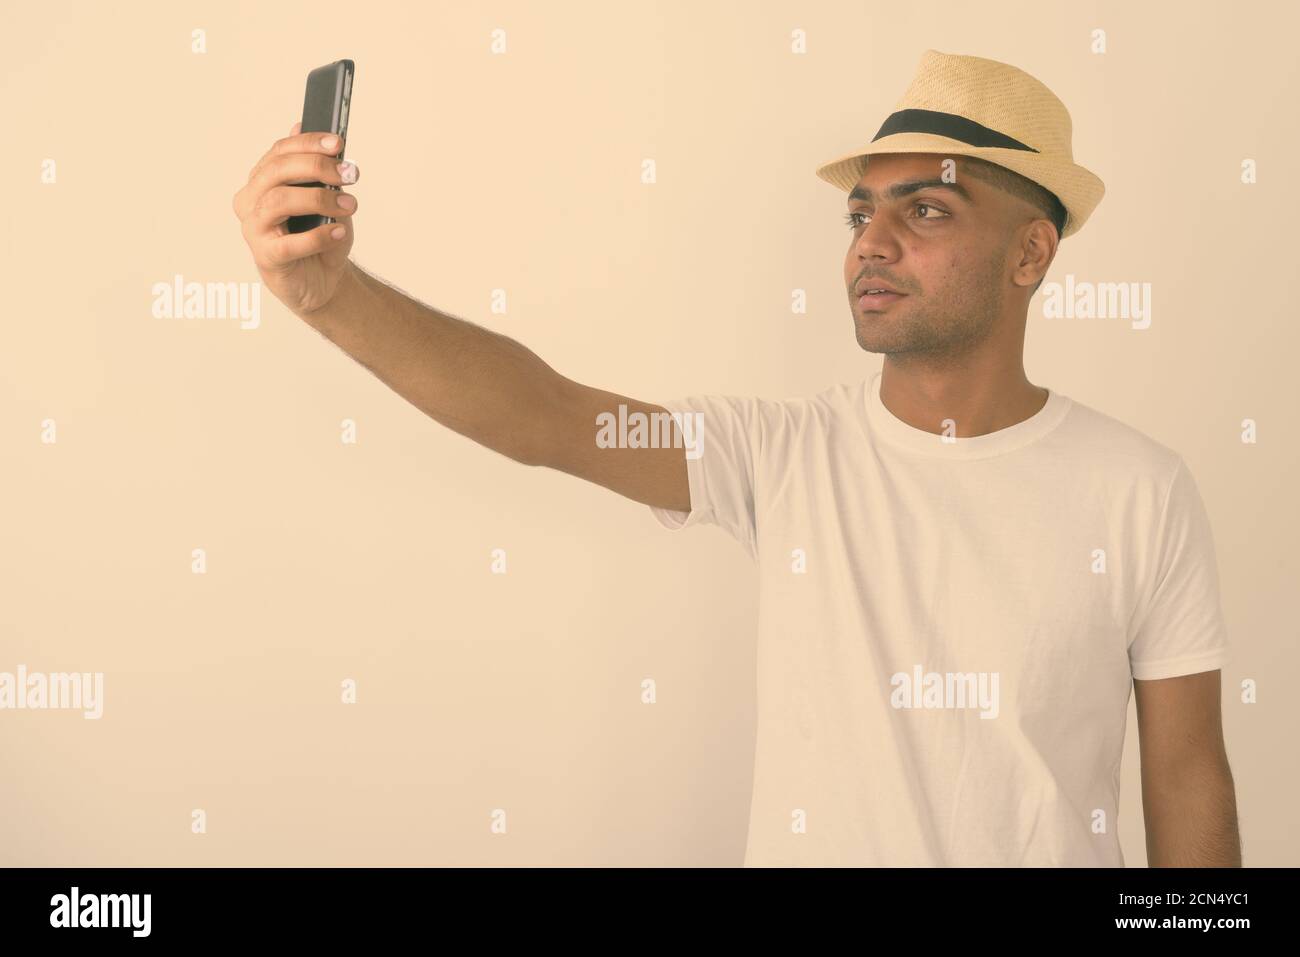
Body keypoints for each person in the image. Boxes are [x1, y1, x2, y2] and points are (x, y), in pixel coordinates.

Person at [232, 49, 1240, 867]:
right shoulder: (783, 455)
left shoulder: (1138, 491)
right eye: (860, 213)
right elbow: (548, 416)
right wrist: (334, 297)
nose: (868, 243)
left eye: (923, 209)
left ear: (1029, 254)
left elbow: (1187, 778)